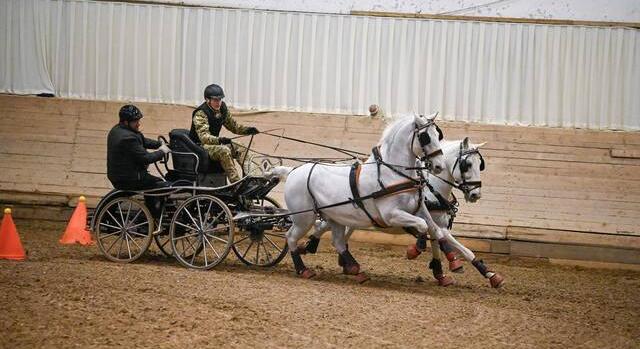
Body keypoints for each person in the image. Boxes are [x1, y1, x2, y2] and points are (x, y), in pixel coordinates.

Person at [107, 104, 171, 217]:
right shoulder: (127, 138)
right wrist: (162, 151)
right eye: (135, 121)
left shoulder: (118, 130)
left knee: (154, 183)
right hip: (130, 177)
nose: (138, 123)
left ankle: (151, 213)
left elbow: (143, 141)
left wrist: (160, 144)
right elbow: (146, 158)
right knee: (160, 184)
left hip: (123, 174)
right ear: (126, 122)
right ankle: (153, 215)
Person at [189, 84, 259, 183]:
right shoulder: (201, 113)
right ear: (207, 100)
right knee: (224, 150)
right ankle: (236, 183)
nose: (218, 103)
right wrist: (219, 140)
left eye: (220, 99)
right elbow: (204, 137)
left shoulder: (222, 109)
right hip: (200, 147)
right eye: (215, 100)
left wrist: (247, 130)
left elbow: (233, 127)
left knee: (241, 147)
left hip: (214, 144)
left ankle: (252, 178)